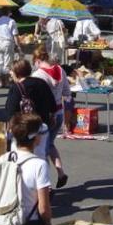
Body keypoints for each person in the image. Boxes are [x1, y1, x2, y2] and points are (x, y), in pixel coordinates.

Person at [32, 47, 70, 189]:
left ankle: (45, 185)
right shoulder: (60, 70)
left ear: (37, 61)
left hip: (46, 115)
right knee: (50, 144)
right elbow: (67, 92)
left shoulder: (38, 75)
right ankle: (61, 172)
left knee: (42, 149)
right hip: (59, 112)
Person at [5, 59, 56, 147]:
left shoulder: (16, 88)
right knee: (41, 155)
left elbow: (11, 112)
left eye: (12, 71)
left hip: (24, 130)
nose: (10, 73)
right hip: (42, 127)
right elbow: (52, 105)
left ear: (17, 72)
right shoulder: (41, 83)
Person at [0, 7, 19, 88]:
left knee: (0, 63)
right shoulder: (11, 21)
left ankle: (0, 82)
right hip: (7, 42)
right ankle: (7, 82)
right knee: (7, 63)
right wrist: (18, 46)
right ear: (8, 12)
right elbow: (15, 35)